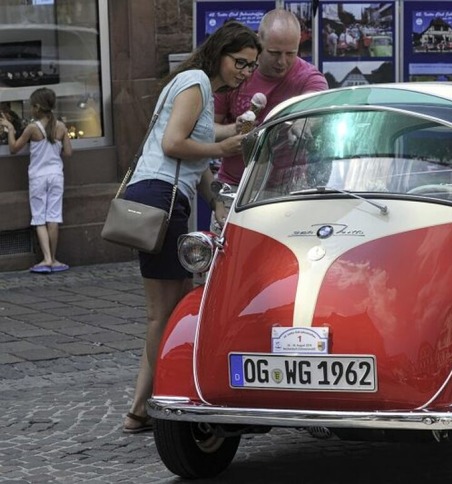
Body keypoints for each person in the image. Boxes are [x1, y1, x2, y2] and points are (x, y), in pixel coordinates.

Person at [121, 21, 261, 433]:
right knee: (161, 313)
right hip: (159, 200)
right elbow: (173, 145)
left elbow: (192, 159)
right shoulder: (196, 80)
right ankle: (157, 399)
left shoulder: (198, 87)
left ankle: (140, 409)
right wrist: (222, 147)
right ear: (219, 53)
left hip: (162, 197)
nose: (245, 72)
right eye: (240, 62)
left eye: (251, 67)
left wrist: (216, 201)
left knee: (176, 304)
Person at [213, 8, 328, 225]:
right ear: (258, 43)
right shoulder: (235, 75)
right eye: (274, 53)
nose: (282, 62)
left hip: (288, 191)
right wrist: (233, 130)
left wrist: (303, 121)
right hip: (235, 188)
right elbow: (206, 129)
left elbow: (316, 102)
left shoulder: (308, 76)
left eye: (291, 53)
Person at [0, 88, 72, 273]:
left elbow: (14, 148)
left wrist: (10, 129)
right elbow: (68, 152)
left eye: (31, 106)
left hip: (38, 177)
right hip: (57, 175)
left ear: (37, 107)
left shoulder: (32, 128)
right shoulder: (61, 126)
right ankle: (54, 259)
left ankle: (46, 258)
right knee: (54, 217)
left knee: (39, 217)